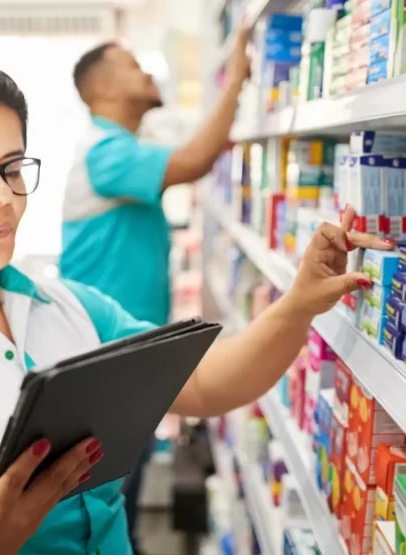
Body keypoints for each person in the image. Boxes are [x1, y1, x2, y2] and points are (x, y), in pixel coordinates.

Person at [0, 50, 392, 555]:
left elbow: (205, 385)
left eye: (12, 168)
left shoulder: (73, 309)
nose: (3, 198)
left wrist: (301, 301)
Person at [60, 28, 254, 547]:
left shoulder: (122, 149)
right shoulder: (105, 153)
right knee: (108, 498)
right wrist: (237, 78)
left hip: (124, 356)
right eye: (131, 64)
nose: (147, 71)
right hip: (103, 360)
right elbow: (193, 161)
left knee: (121, 487)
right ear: (99, 88)